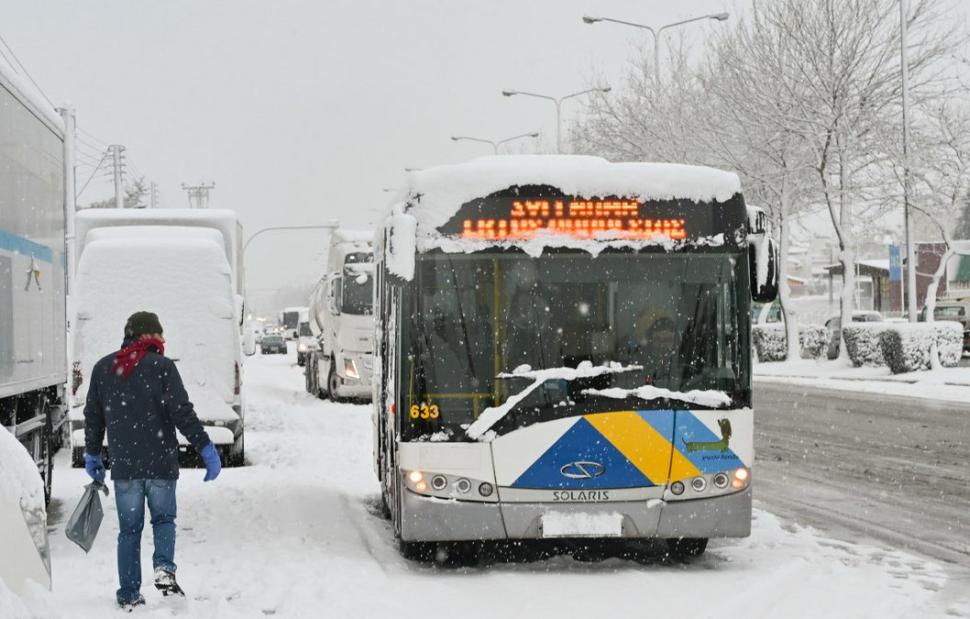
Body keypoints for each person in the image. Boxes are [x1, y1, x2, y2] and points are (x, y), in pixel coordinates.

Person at [83, 311, 222, 611]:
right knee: (163, 520)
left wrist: (93, 453)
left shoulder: (104, 367)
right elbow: (182, 412)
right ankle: (164, 569)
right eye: (160, 335)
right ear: (151, 336)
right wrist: (205, 447)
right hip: (160, 464)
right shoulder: (162, 368)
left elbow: (94, 418)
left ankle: (130, 593)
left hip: (126, 468)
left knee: (129, 530)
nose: (164, 340)